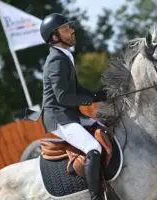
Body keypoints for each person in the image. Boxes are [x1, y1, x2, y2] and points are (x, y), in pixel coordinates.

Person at [40, 13, 107, 200]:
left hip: (69, 113)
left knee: (106, 131)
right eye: (65, 29)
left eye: (70, 27)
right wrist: (91, 98)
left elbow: (76, 89)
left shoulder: (65, 55)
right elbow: (63, 97)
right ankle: (96, 197)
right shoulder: (55, 60)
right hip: (59, 118)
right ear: (54, 37)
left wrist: (100, 94)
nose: (71, 31)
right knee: (94, 148)